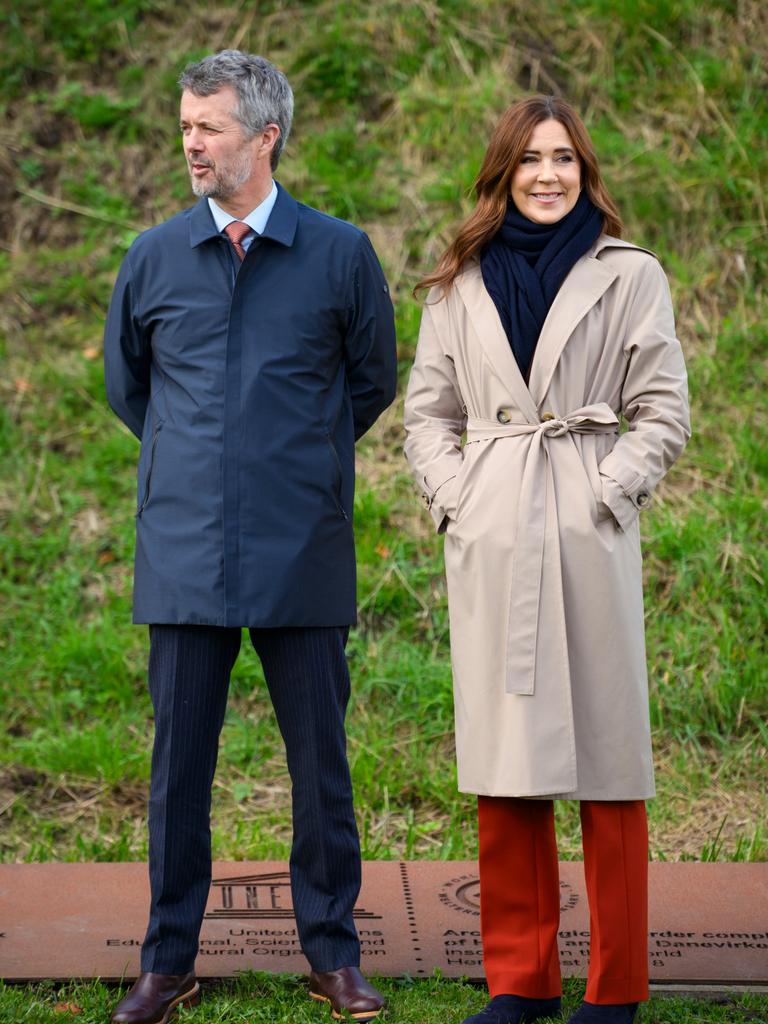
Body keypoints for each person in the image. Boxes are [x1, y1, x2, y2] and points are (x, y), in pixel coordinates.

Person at [104, 49, 396, 1024]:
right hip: (184, 551)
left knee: (321, 766)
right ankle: (167, 961)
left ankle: (334, 956)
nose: (191, 141)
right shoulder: (152, 256)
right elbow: (128, 386)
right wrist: (197, 462)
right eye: (185, 124)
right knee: (178, 767)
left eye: (210, 126)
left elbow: (370, 381)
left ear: (264, 135)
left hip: (302, 547)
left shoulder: (340, 253)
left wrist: (294, 462)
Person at [404, 96, 690, 1024]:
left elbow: (663, 410)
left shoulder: (630, 275)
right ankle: (520, 983)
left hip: (586, 527)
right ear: (501, 174)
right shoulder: (456, 283)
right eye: (529, 159)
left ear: (585, 170)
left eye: (564, 157)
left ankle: (615, 989)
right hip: (494, 530)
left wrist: (608, 492)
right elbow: (427, 414)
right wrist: (460, 502)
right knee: (506, 759)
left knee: (611, 762)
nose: (548, 175)